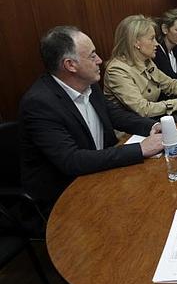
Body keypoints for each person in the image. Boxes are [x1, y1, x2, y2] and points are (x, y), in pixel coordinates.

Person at [19, 26, 164, 210]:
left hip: (101, 176)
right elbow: (71, 160)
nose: (100, 60)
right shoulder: (40, 103)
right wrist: (141, 149)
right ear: (70, 65)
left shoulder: (88, 85)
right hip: (65, 196)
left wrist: (152, 126)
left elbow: (115, 115)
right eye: (92, 55)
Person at [104, 15, 177, 118]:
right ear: (136, 42)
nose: (157, 44)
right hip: (129, 132)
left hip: (151, 122)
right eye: (152, 39)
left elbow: (170, 85)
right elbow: (142, 108)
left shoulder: (146, 61)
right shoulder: (117, 71)